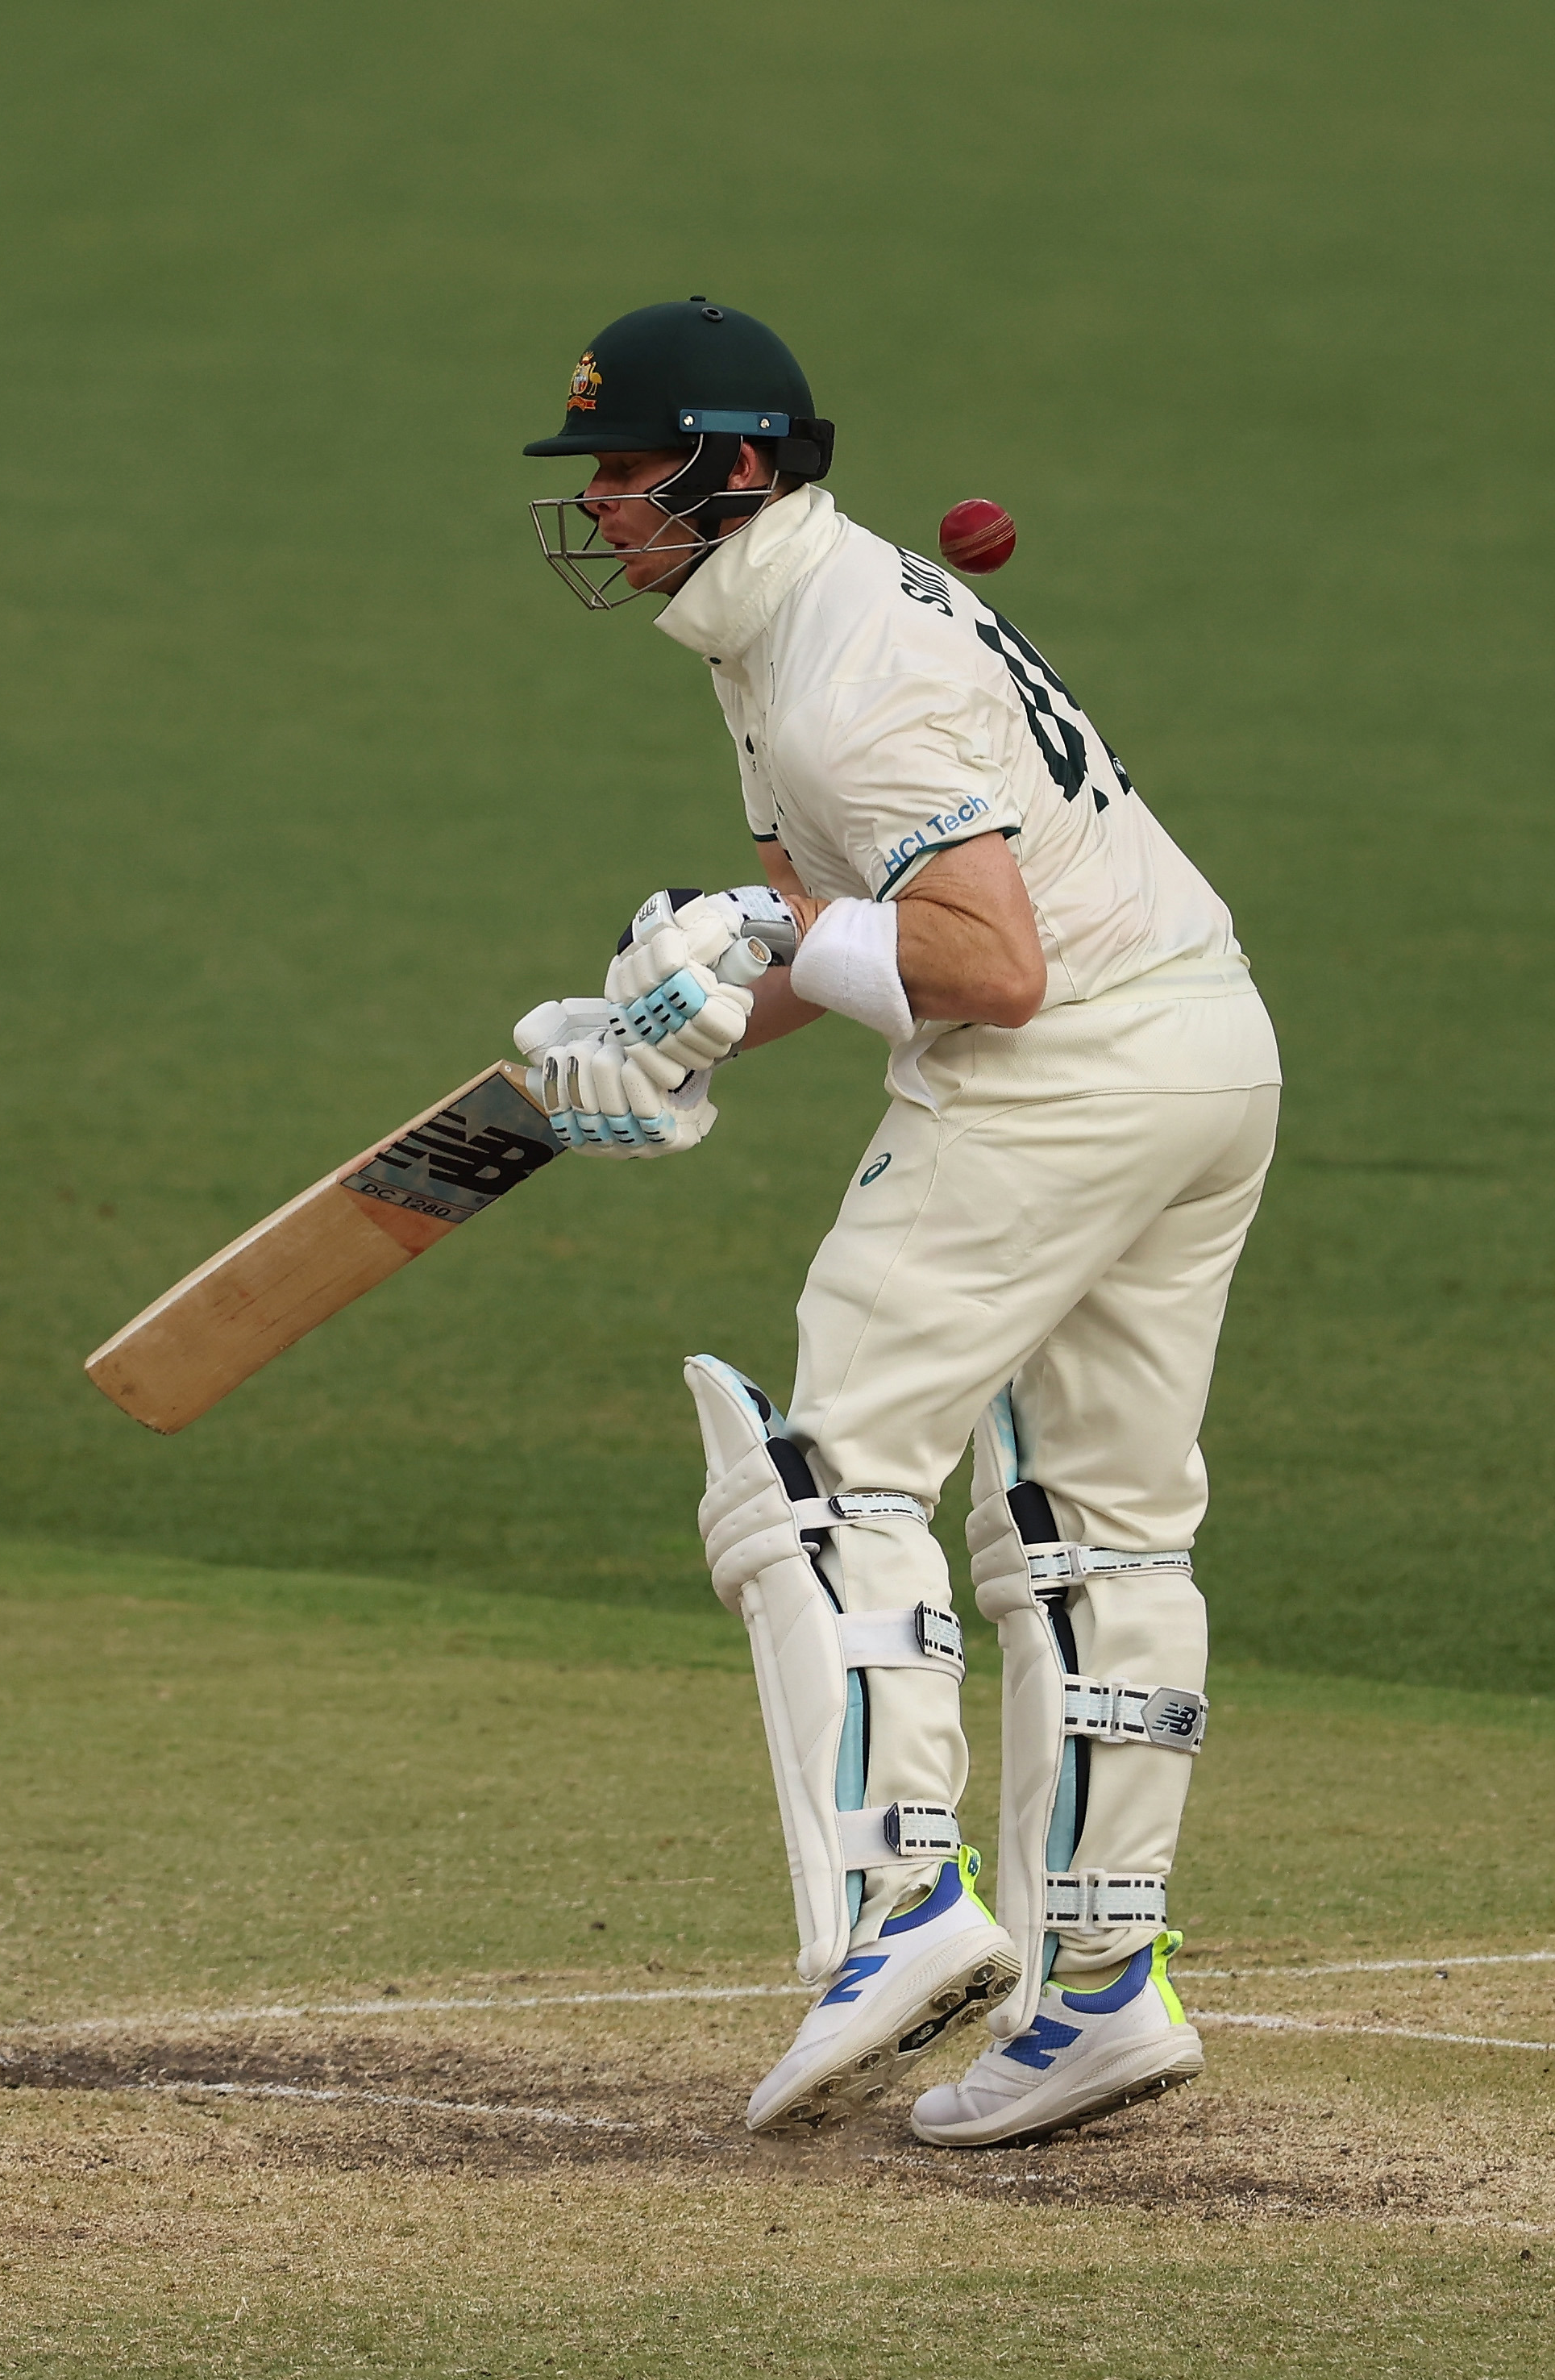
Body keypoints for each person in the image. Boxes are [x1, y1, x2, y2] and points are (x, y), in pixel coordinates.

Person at [518, 298, 1280, 2142]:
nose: (604, 507)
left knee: (819, 1470)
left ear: (736, 469)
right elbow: (843, 933)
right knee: (1094, 1530)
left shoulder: (847, 662)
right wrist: (668, 1025)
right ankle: (1102, 1992)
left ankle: (902, 1907)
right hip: (1204, 1052)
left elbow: (983, 969)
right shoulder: (783, 632)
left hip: (1064, 1066)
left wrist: (761, 938)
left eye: (629, 473)